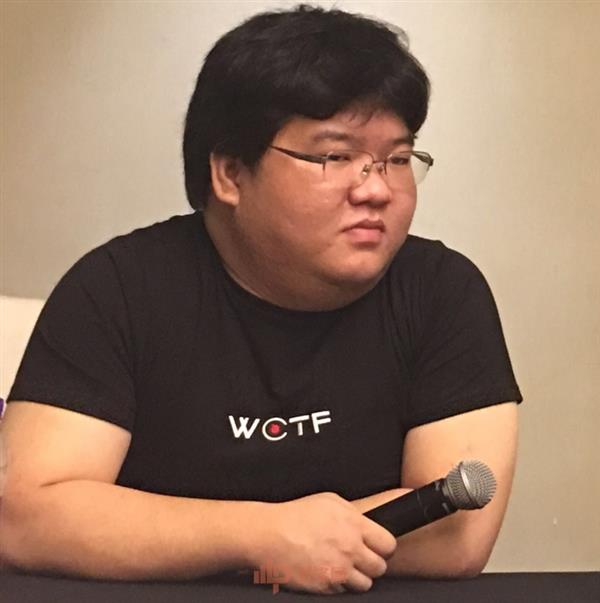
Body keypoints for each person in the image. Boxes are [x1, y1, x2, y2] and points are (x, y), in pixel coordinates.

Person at [0, 4, 522, 595]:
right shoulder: (117, 288)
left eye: (397, 159)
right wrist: (258, 537)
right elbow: (26, 519)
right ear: (229, 172)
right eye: (335, 156)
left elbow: (456, 533)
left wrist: (193, 544)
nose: (376, 189)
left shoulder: (442, 291)